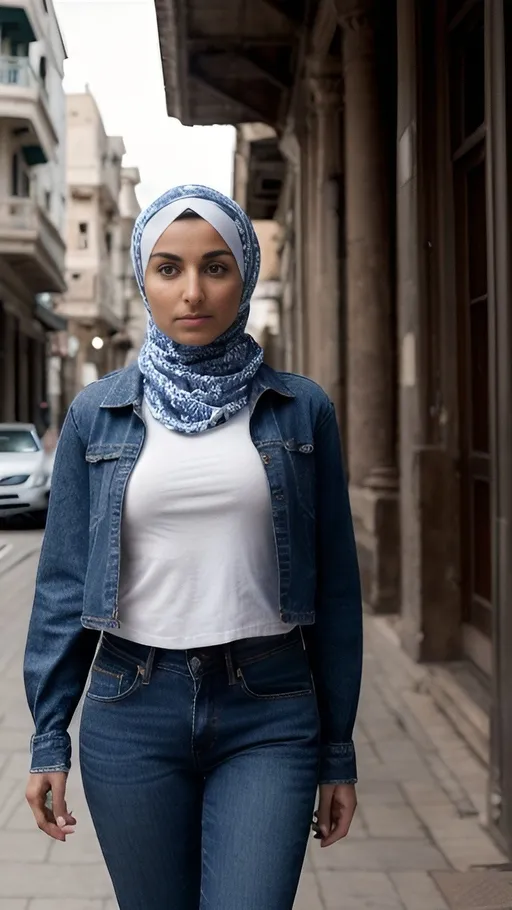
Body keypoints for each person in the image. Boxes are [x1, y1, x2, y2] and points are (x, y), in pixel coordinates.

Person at [23, 185, 363, 910]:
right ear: (143, 280)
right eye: (168, 268)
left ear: (245, 274)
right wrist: (49, 734)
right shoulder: (98, 412)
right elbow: (62, 583)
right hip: (131, 704)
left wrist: (339, 749)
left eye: (216, 266)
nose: (192, 291)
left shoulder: (301, 409)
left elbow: (336, 593)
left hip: (269, 707)